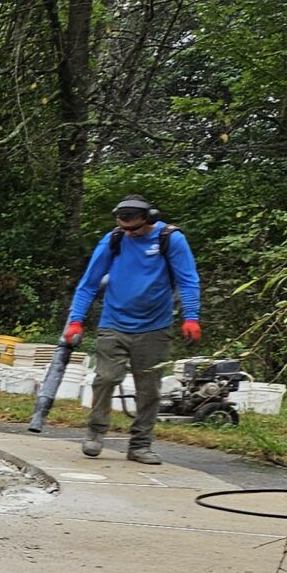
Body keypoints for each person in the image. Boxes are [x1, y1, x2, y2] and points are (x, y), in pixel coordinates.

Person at [63, 194, 201, 463]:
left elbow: (188, 280)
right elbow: (88, 283)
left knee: (149, 388)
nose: (129, 234)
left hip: (155, 327)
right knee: (106, 378)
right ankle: (95, 432)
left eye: (134, 229)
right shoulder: (114, 240)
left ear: (149, 219)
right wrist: (76, 320)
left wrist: (191, 317)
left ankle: (140, 445)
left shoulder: (171, 239)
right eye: (124, 228)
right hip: (114, 322)